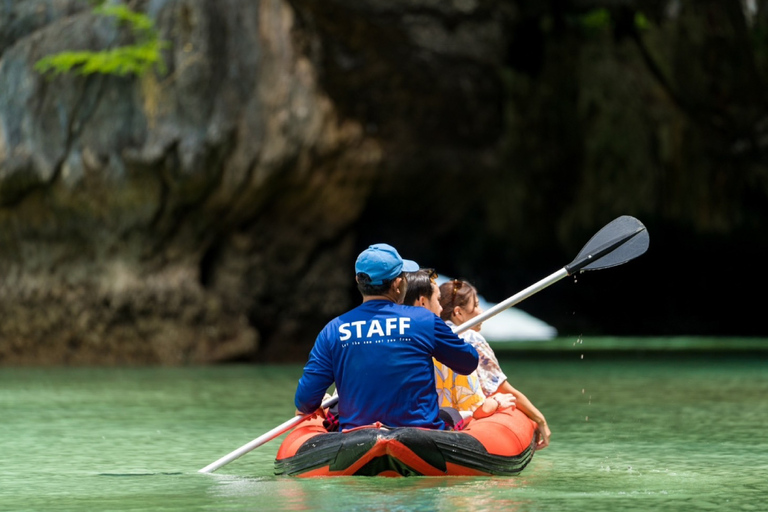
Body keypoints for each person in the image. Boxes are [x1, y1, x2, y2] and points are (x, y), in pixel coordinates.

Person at [294, 244, 479, 431]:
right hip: (421, 436)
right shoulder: (424, 320)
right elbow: (469, 362)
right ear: (398, 285)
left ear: (358, 280)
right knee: (451, 414)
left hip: (356, 435)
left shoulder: (332, 330)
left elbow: (305, 401)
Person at [439, 278, 552, 449]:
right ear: (458, 313)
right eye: (475, 305)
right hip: (467, 419)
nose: (481, 311)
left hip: (437, 418)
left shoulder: (430, 336)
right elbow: (503, 389)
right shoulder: (471, 338)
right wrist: (539, 419)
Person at [403, 269, 516, 421]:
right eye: (437, 300)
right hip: (439, 424)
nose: (441, 309)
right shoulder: (465, 338)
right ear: (423, 303)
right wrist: (495, 402)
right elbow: (477, 409)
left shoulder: (389, 338)